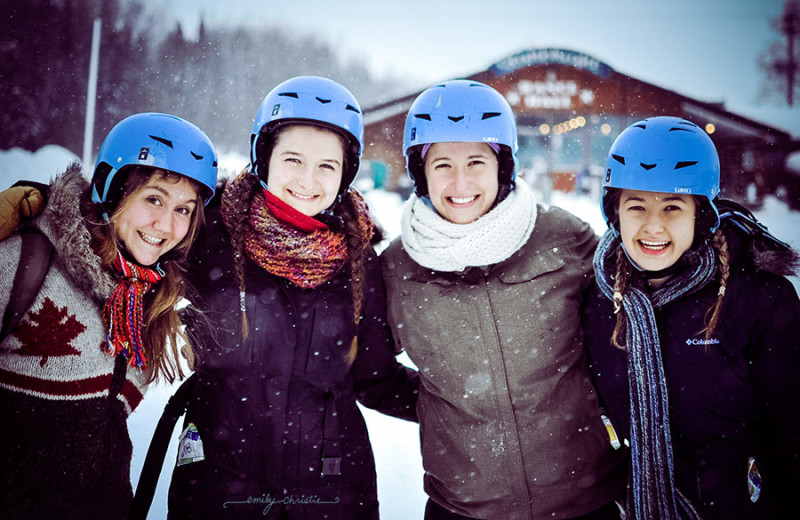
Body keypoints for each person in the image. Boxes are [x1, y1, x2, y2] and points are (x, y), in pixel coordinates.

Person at [166, 76, 419, 519]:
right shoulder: (209, 236)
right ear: (263, 158)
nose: (308, 180)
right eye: (292, 159)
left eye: (327, 165)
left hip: (332, 490)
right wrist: (39, 204)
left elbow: (374, 376)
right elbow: (125, 238)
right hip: (218, 487)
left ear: (345, 173)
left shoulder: (360, 261)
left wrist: (467, 405)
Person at [380, 79, 625, 520]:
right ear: (420, 173)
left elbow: (635, 311)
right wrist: (447, 411)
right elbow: (370, 372)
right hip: (462, 510)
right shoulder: (398, 267)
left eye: (476, 161)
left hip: (584, 504)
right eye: (442, 166)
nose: (460, 182)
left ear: (503, 167)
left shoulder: (562, 238)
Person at [0, 112, 218, 519]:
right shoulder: (25, 262)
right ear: (112, 189)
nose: (166, 225)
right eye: (153, 198)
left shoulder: (150, 297)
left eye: (185, 210)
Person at [582, 116, 800, 519]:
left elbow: (792, 431)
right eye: (636, 205)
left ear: (702, 213)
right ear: (614, 213)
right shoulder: (600, 300)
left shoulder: (758, 298)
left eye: (672, 206)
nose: (653, 226)